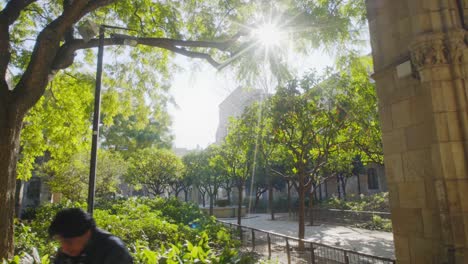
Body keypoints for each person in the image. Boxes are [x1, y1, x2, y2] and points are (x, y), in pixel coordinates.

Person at [48, 208, 133, 264]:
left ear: (87, 233)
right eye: (61, 241)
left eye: (69, 242)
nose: (65, 248)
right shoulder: (66, 252)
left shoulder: (113, 250)